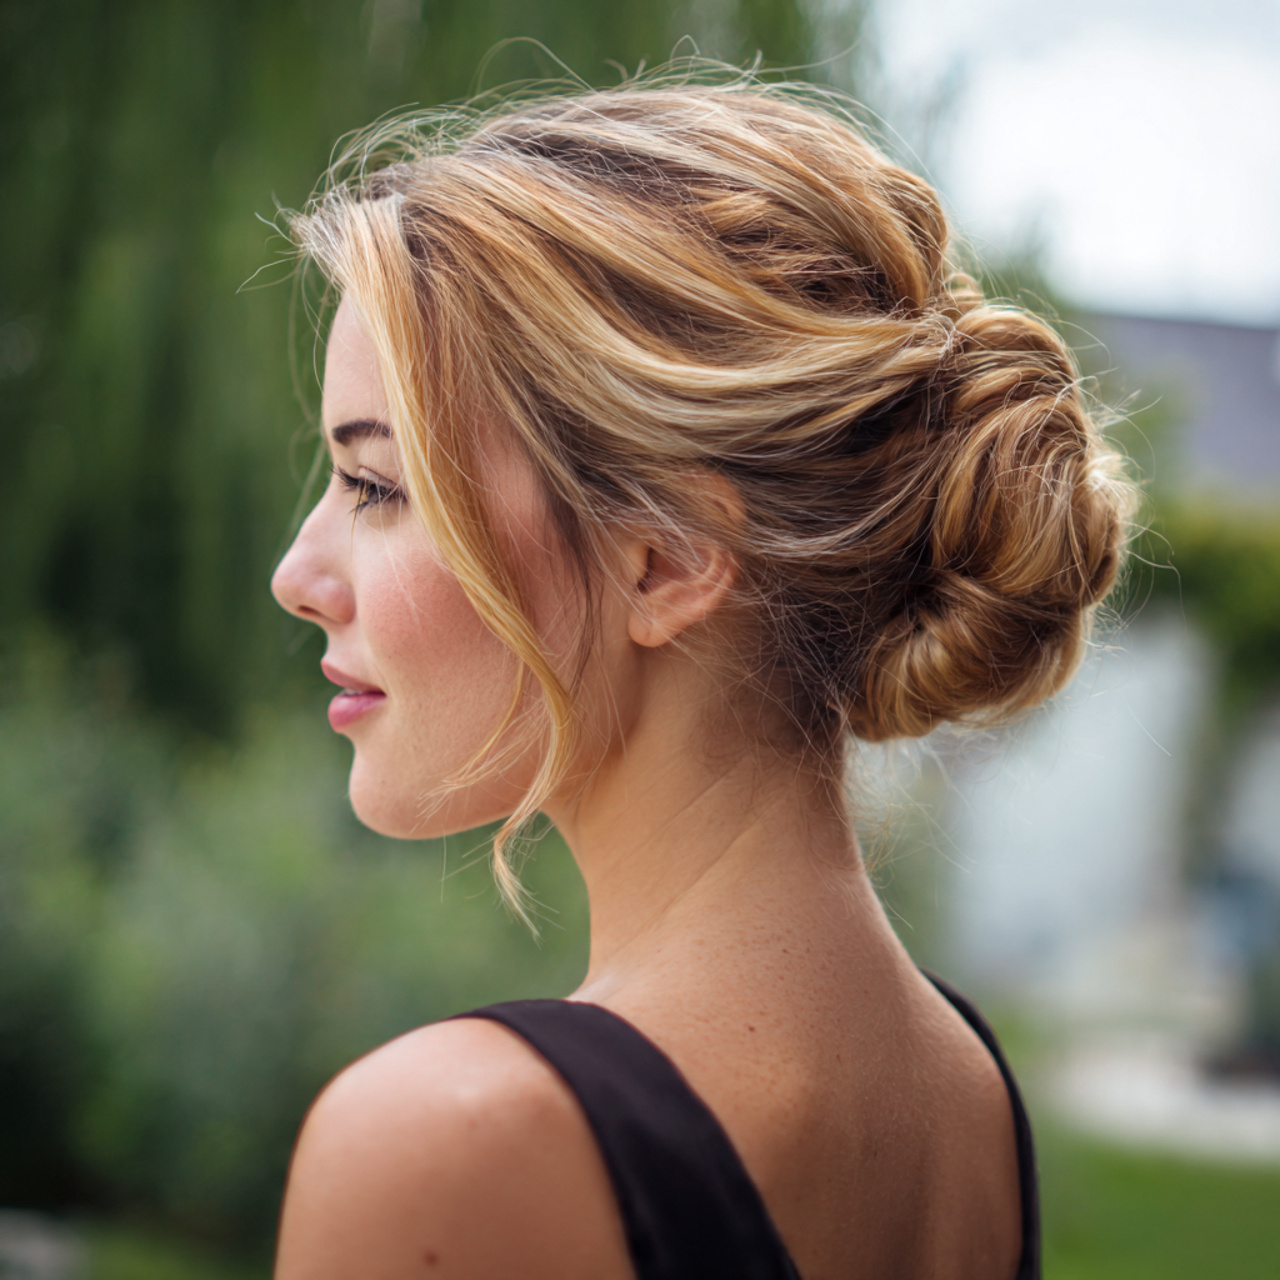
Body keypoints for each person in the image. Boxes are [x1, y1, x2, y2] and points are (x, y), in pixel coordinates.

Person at [269, 75, 1130, 1280]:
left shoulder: (453, 1143)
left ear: (662, 559)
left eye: (376, 488)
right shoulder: (963, 1090)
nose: (295, 573)